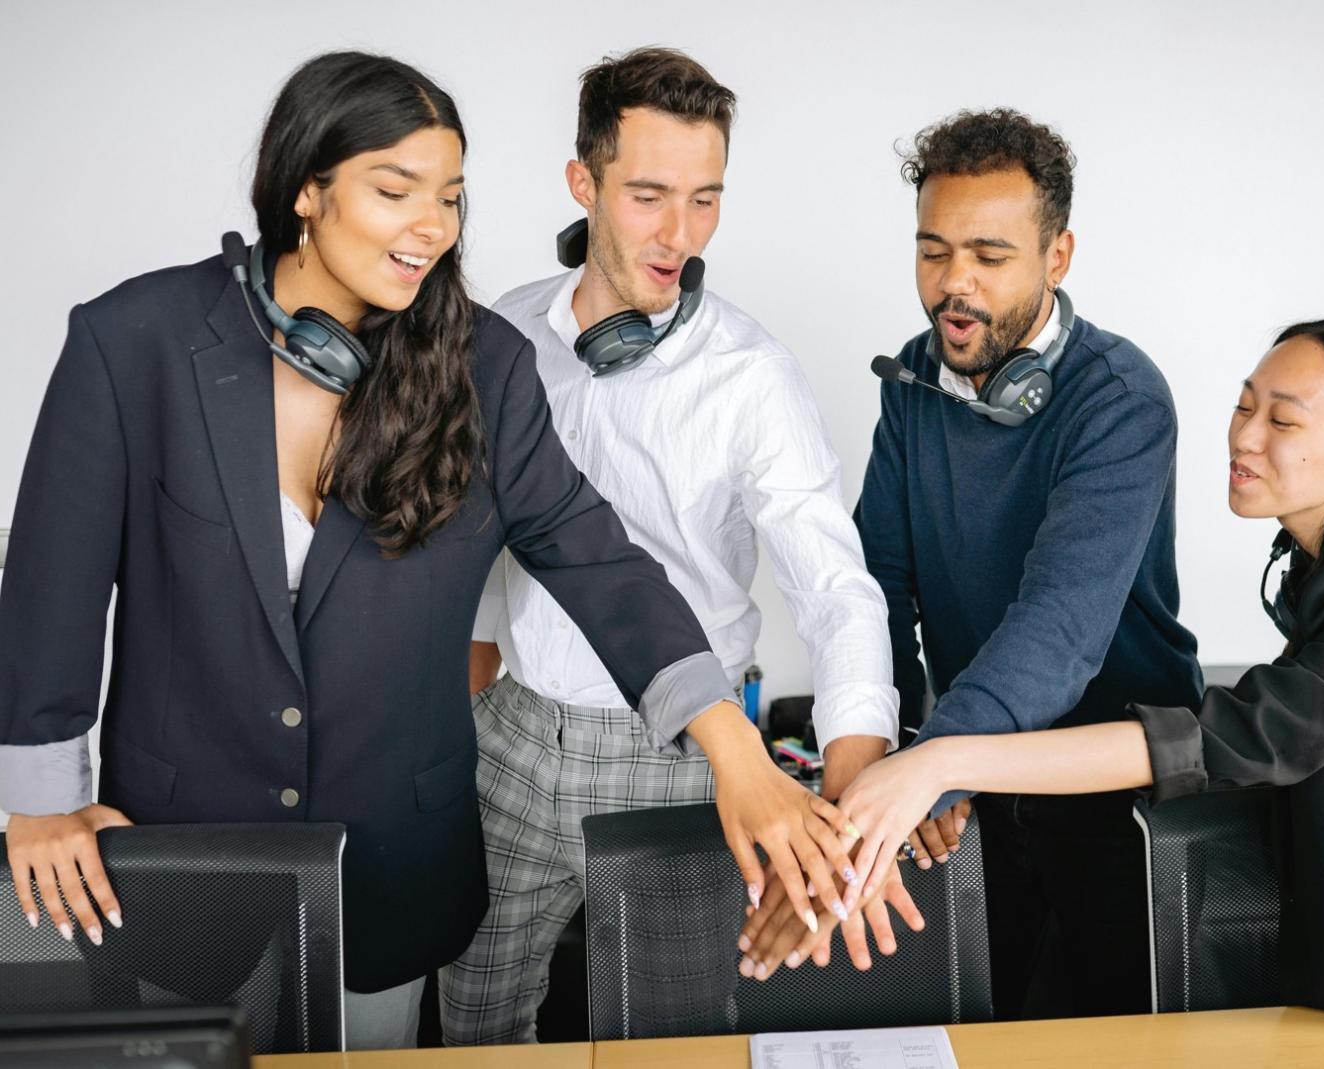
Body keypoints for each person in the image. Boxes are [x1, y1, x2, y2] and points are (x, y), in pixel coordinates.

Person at [0, 51, 851, 1051]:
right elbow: (49, 585)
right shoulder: (131, 341)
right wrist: (39, 804)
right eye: (395, 190)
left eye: (449, 197)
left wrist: (733, 746)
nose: (433, 227)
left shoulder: (488, 366)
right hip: (172, 850)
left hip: (390, 866)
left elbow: (598, 563)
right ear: (306, 190)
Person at [751, 320, 1324, 1037]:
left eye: (1285, 421)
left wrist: (939, 762)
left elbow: (1227, 737)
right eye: (1244, 403)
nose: (1244, 434)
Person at [439, 47, 902, 1046]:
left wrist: (853, 781)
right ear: (584, 184)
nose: (679, 234)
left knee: (679, 1036)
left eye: (704, 199)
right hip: (511, 743)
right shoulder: (502, 335)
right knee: (471, 1024)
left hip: (685, 759)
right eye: (648, 196)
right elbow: (471, 531)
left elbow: (836, 590)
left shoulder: (751, 376)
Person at [770, 108, 1203, 1020]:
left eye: (988, 256)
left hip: (1114, 800)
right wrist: (893, 744)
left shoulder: (1121, 400)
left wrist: (932, 765)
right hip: (971, 792)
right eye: (933, 252)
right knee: (985, 1028)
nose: (952, 285)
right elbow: (878, 589)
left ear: (1059, 256)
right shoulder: (916, 385)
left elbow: (1061, 630)